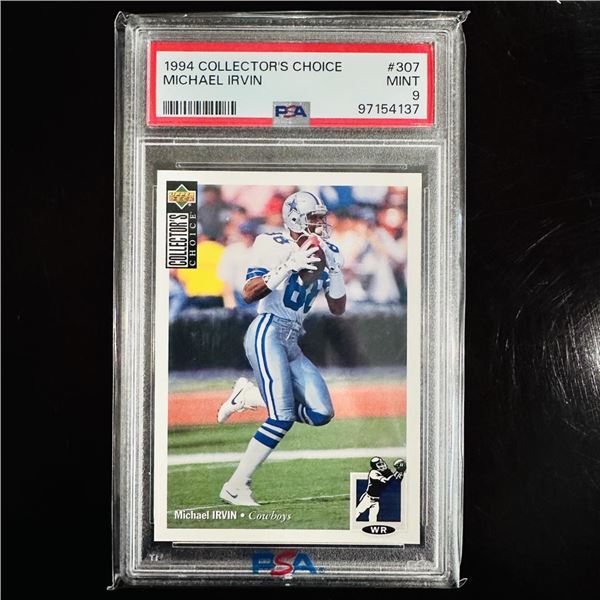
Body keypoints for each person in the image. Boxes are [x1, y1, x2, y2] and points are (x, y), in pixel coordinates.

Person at [216, 190, 347, 506]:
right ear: (295, 218)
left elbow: (338, 308)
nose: (319, 223)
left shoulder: (328, 250)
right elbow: (249, 293)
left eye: (321, 217)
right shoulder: (270, 243)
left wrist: (335, 271)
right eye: (313, 218)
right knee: (282, 416)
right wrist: (288, 266)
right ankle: (235, 486)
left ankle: (251, 397)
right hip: (268, 330)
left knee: (321, 412)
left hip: (292, 340)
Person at [354, 457, 405, 522]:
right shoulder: (373, 472)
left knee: (373, 519)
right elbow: (386, 481)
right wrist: (397, 472)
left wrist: (401, 473)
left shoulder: (386, 471)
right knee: (356, 513)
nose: (382, 465)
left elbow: (395, 481)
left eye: (382, 463)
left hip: (376, 501)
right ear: (375, 466)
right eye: (379, 464)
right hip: (367, 499)